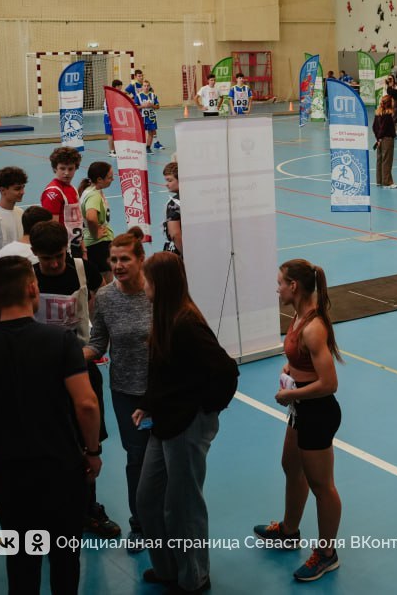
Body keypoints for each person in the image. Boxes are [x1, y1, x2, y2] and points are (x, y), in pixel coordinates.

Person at [0, 255, 101, 594]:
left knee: (21, 558)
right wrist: (92, 452)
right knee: (65, 558)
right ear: (32, 288)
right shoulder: (60, 341)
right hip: (60, 470)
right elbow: (85, 403)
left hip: (9, 472)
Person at [137, 251, 238, 595]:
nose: (143, 285)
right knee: (149, 500)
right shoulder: (165, 316)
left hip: (186, 426)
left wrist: (205, 412)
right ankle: (167, 568)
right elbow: (166, 371)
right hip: (164, 422)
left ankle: (193, 577)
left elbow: (226, 371)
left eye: (147, 280)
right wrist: (149, 404)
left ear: (159, 284)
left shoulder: (186, 323)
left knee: (182, 506)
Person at [253, 261, 344, 582]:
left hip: (316, 410)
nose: (276, 288)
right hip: (301, 407)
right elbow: (300, 356)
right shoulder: (299, 314)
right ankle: (289, 531)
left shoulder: (313, 327)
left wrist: (292, 396)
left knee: (322, 486)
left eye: (280, 283)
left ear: (294, 286)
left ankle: (327, 553)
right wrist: (291, 370)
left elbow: (330, 383)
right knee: (290, 466)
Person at [32, 221, 121, 540]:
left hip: (81, 366)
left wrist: (95, 345)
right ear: (34, 254)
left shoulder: (84, 270)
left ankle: (87, 508)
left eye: (58, 256)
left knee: (88, 439)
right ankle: (50, 508)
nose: (54, 264)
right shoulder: (29, 276)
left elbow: (97, 308)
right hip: (42, 375)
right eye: (46, 259)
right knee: (47, 443)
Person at [85, 230, 152, 549]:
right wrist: (65, 357)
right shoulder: (106, 297)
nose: (119, 265)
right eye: (113, 259)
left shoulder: (158, 292)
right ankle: (140, 524)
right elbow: (97, 343)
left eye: (125, 258)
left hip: (163, 392)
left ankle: (167, 520)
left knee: (168, 457)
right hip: (126, 392)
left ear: (141, 259)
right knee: (137, 458)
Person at [40, 146, 84, 258]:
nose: (66, 173)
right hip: (64, 249)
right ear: (55, 168)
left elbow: (78, 221)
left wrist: (83, 247)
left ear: (76, 168)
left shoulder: (72, 188)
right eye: (62, 168)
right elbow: (52, 227)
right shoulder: (53, 192)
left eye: (70, 169)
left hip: (76, 245)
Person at [79, 161, 116, 287]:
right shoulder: (94, 195)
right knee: (105, 286)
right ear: (100, 179)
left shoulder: (91, 190)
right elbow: (91, 217)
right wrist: (96, 234)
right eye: (110, 177)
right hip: (98, 246)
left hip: (96, 245)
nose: (113, 179)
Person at [373, 94, 397, 189]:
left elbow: (374, 127)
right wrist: (379, 138)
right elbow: (383, 128)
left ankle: (379, 180)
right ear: (389, 103)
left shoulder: (378, 113)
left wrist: (377, 138)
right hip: (387, 139)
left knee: (380, 160)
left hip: (379, 140)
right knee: (387, 160)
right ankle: (387, 182)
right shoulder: (388, 115)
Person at [163, 161, 183, 256]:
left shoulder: (174, 203)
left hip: (176, 252)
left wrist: (185, 255)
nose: (166, 184)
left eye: (170, 180)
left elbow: (175, 234)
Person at [138, 80, 161, 151]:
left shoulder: (153, 95)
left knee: (151, 132)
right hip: (142, 117)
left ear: (149, 86)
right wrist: (143, 106)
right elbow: (135, 107)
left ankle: (148, 147)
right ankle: (140, 147)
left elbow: (158, 107)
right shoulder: (138, 96)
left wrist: (152, 105)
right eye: (145, 86)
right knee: (141, 133)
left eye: (148, 86)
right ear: (142, 87)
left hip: (151, 117)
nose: (146, 87)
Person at [106, 78, 123, 157]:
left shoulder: (116, 94)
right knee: (110, 134)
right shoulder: (111, 95)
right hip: (109, 116)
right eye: (120, 87)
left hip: (115, 116)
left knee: (115, 133)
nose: (121, 89)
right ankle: (111, 151)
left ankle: (116, 150)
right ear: (117, 86)